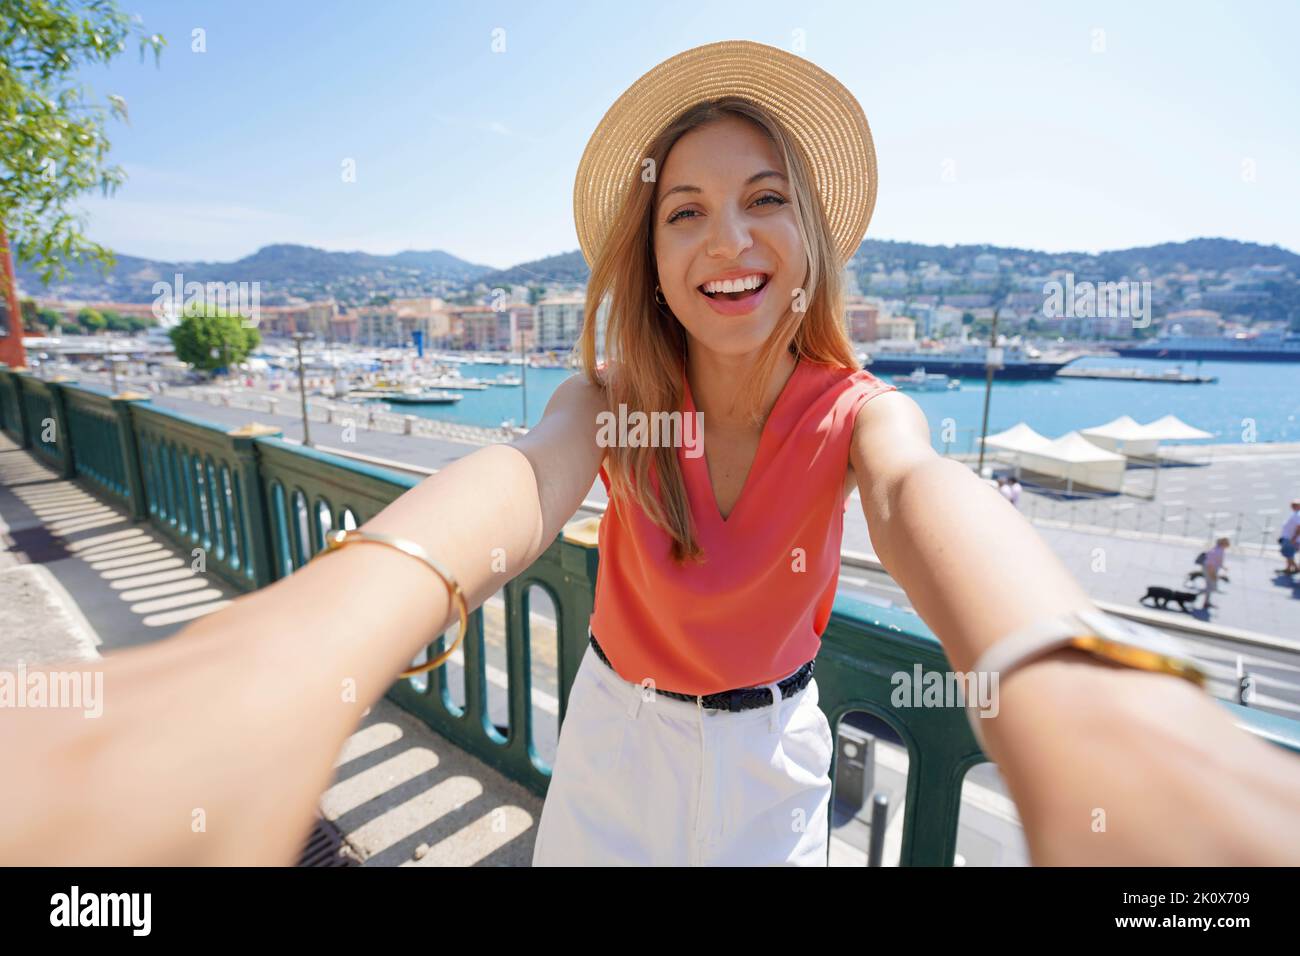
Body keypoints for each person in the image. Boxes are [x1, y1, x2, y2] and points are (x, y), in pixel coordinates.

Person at [3, 39, 1300, 868]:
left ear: (812, 246)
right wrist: (288, 651)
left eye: (765, 200)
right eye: (686, 210)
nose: (726, 240)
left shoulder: (858, 412)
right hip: (618, 745)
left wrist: (1075, 678)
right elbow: (519, 485)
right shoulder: (610, 398)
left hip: (775, 769)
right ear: (651, 260)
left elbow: (922, 495)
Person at [1200, 536, 1230, 610]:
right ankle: (1205, 601)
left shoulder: (1220, 550)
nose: (1229, 544)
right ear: (1224, 543)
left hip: (1211, 569)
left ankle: (1206, 601)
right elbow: (1210, 564)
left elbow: (1218, 561)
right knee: (1210, 586)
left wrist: (1222, 566)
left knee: (1210, 586)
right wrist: (1212, 574)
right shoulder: (1217, 551)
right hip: (1210, 569)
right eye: (1227, 542)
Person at [1280, 499, 1300, 575]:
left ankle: (1295, 568)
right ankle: (1289, 568)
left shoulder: (1298, 514)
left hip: (1291, 539)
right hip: (1289, 538)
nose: (1292, 506)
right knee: (1289, 554)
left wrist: (1294, 538)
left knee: (1288, 553)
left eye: (1295, 505)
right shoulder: (1296, 513)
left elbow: (1299, 527)